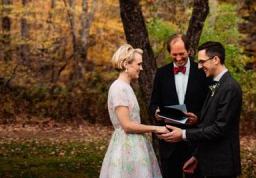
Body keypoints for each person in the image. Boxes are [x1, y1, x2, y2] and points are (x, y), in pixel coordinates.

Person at [158, 41, 242, 178]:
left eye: (202, 62)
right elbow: (208, 122)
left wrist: (183, 134)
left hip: (221, 165)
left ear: (216, 59)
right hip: (209, 161)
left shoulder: (230, 87)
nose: (199, 66)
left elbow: (219, 129)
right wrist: (196, 157)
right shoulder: (217, 84)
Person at [100, 44, 168, 178]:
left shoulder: (126, 87)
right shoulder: (119, 88)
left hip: (135, 144)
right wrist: (156, 128)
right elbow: (127, 125)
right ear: (126, 64)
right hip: (126, 146)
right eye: (139, 64)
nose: (141, 68)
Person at [149, 34, 210, 178]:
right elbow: (153, 102)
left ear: (189, 50)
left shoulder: (202, 72)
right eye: (174, 54)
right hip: (169, 141)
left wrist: (198, 117)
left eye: (181, 54)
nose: (178, 58)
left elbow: (210, 104)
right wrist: (156, 111)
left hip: (195, 141)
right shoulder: (161, 73)